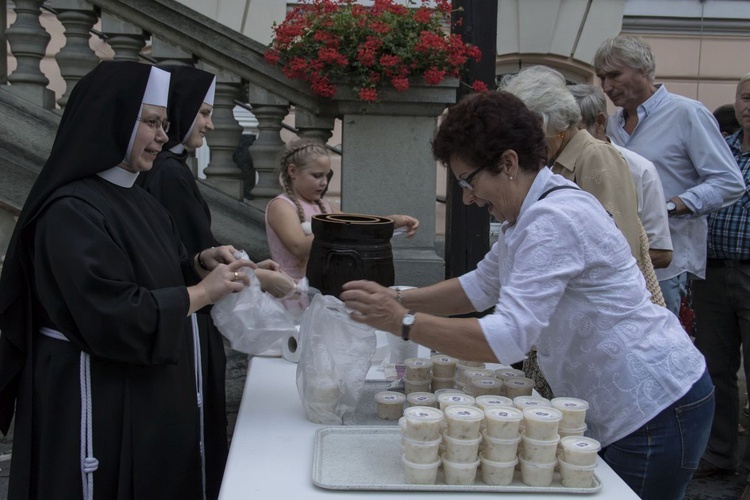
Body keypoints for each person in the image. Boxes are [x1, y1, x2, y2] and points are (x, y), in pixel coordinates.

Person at [341, 91, 714, 500]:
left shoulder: (553, 219)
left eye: (469, 181)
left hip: (656, 404)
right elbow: (481, 286)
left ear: (509, 162)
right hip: (631, 402)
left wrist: (402, 323)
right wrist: (400, 298)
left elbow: (508, 338)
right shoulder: (527, 216)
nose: (467, 197)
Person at [0, 61, 255, 499]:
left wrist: (197, 263)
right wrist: (201, 292)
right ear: (113, 118)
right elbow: (108, 309)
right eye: (152, 123)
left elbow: (153, 270)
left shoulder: (138, 198)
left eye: (166, 124)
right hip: (91, 397)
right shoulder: (70, 210)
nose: (162, 136)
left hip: (134, 390)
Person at [135, 65, 294, 499]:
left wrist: (243, 266)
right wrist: (258, 276)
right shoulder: (168, 173)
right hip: (184, 318)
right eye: (203, 112)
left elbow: (193, 251)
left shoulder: (169, 170)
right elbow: (184, 262)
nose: (208, 122)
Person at [594, 35, 745, 316]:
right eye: (601, 77)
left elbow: (729, 181)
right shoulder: (612, 124)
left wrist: (672, 206)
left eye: (614, 75)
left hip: (667, 264)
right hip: (620, 262)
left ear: (643, 69)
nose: (606, 87)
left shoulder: (687, 113)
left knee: (660, 350)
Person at [691, 73, 750, 497]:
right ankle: (719, 454)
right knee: (716, 370)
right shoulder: (723, 151)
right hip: (712, 273)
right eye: (746, 97)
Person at [265, 138, 420, 280]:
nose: (324, 182)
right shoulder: (281, 206)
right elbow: (298, 247)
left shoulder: (323, 206)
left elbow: (354, 225)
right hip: (290, 289)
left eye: (326, 175)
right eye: (317, 175)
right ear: (293, 171)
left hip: (322, 285)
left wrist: (390, 222)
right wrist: (341, 231)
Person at [568, 83, 673, 269]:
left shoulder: (640, 170)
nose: (568, 142)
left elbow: (662, 253)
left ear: (600, 122)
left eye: (575, 132)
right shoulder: (555, 168)